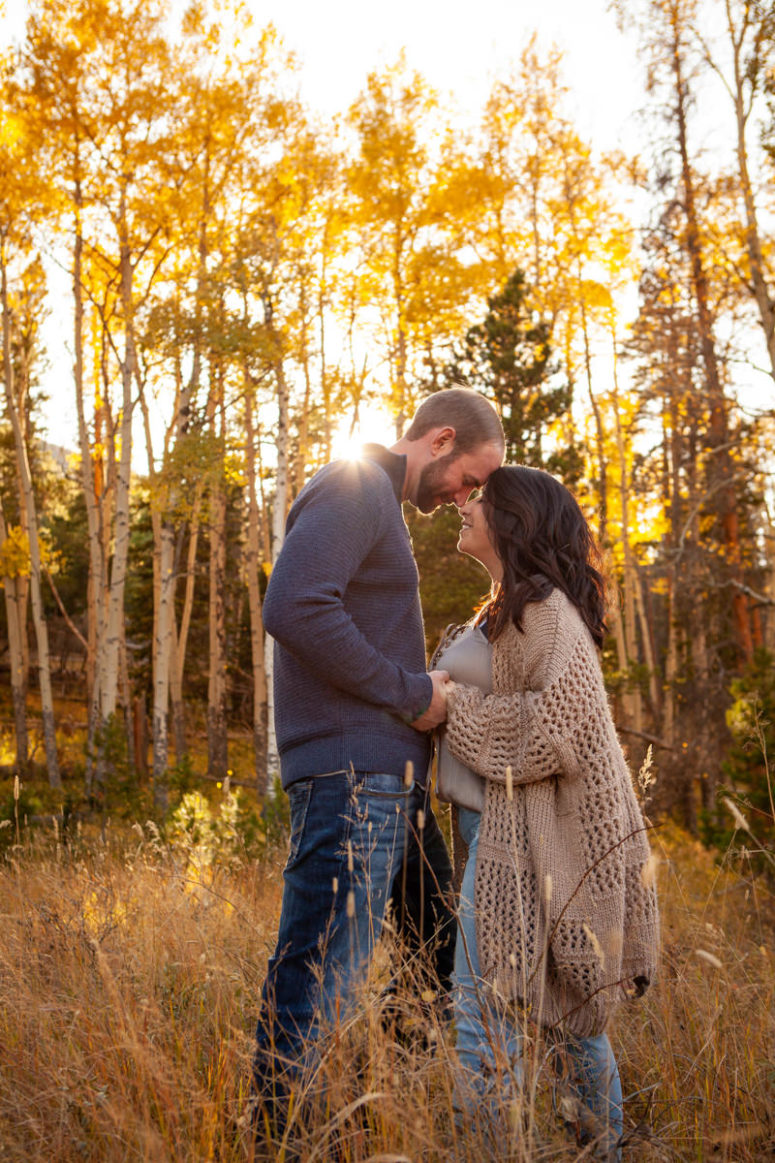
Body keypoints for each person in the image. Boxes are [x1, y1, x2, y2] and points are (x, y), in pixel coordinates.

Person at [251, 387, 505, 1139]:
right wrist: (411, 692)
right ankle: (285, 1142)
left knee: (435, 948)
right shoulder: (355, 484)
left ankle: (381, 1107)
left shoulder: (376, 506)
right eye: (471, 475)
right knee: (320, 974)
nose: (467, 494)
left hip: (387, 781)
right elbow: (293, 605)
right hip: (352, 778)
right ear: (440, 440)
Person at [435, 465, 659, 1161]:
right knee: (559, 1024)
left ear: (514, 521)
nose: (464, 505)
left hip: (535, 842)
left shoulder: (547, 613)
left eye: (481, 499)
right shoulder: (507, 605)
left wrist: (452, 707)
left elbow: (552, 731)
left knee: (487, 1016)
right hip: (497, 831)